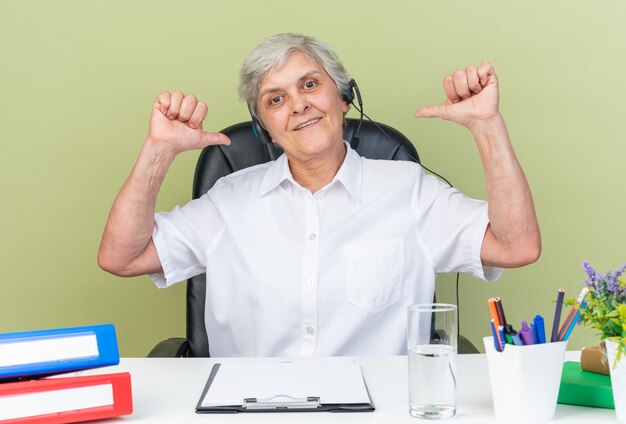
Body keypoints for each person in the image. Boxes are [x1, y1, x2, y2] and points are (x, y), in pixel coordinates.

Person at [98, 33, 540, 357]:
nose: (298, 105)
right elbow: (122, 257)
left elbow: (516, 245)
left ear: (344, 97)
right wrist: (159, 152)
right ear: (263, 128)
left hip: (377, 413)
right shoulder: (226, 201)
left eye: (310, 85)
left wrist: (486, 126)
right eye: (275, 100)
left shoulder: (410, 190)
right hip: (250, 412)